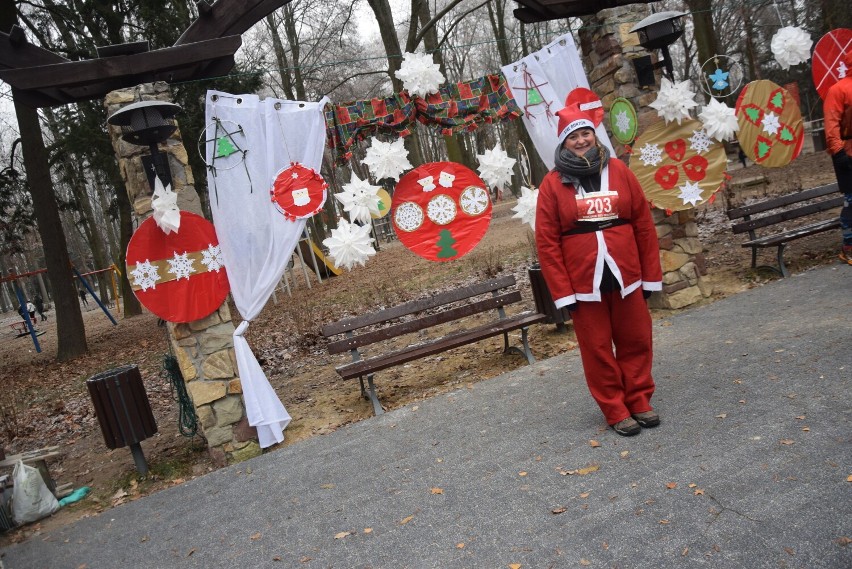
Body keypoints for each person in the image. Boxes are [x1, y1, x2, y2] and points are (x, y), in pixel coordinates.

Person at [535, 101, 663, 437]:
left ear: (594, 134)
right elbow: (547, 242)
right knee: (597, 348)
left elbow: (643, 225)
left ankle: (639, 400)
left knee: (636, 339)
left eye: (585, 133)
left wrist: (650, 276)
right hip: (583, 281)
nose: (581, 140)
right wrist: (562, 293)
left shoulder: (620, 171)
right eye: (573, 136)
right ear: (563, 143)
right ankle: (615, 408)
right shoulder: (552, 184)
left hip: (626, 273)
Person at [824, 50, 852, 265]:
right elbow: (832, 122)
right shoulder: (838, 90)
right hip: (847, 152)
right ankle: (849, 244)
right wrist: (838, 151)